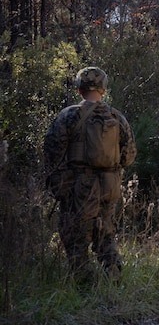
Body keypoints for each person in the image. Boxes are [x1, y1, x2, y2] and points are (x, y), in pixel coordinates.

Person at [43, 66, 137, 277]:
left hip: (80, 186)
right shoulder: (116, 117)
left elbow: (52, 152)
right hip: (110, 186)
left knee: (76, 236)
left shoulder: (68, 116)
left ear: (79, 90)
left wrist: (60, 183)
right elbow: (129, 156)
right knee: (106, 233)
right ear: (103, 90)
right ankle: (114, 278)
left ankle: (83, 286)